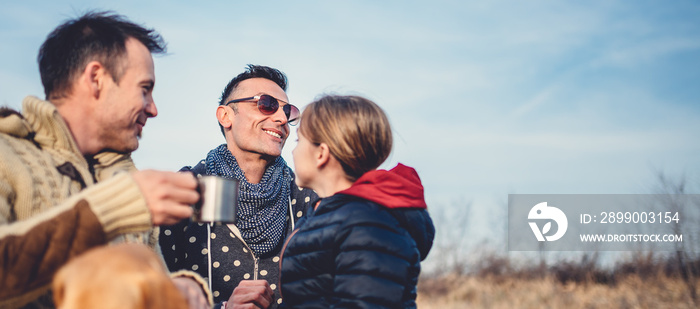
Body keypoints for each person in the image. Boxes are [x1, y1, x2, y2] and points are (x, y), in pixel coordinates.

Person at [0, 11, 210, 309]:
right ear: (96, 79)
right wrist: (117, 205)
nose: (153, 109)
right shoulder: (5, 154)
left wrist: (180, 287)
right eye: (145, 90)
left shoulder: (127, 179)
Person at [159, 65, 318, 308]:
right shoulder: (187, 191)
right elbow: (153, 294)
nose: (282, 118)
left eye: (288, 111)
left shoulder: (306, 198)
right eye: (266, 104)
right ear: (225, 116)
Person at [280, 95, 435, 308]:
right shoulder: (330, 215)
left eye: (299, 140)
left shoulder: (366, 224)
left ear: (321, 154)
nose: (294, 150)